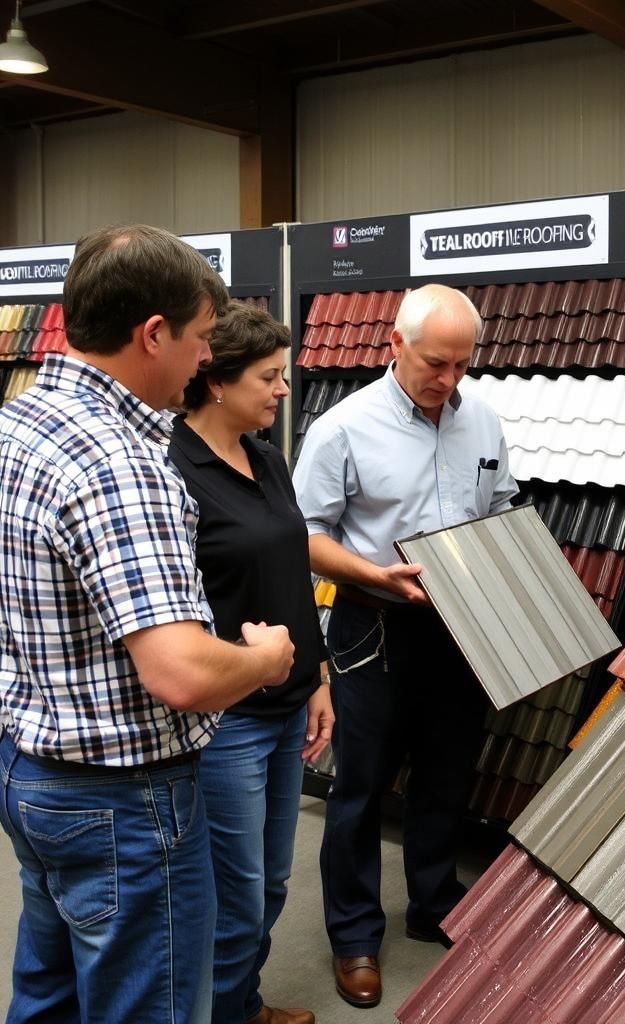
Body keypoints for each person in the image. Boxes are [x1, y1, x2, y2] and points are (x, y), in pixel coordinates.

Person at [0, 225, 295, 1024]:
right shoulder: (122, 464)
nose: (207, 358)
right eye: (201, 338)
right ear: (152, 333)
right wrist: (265, 659)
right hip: (122, 799)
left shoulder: (21, 421)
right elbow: (183, 674)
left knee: (50, 995)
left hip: (33, 770)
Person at [293, 283, 518, 1009]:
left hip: (461, 626)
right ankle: (355, 935)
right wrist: (371, 572)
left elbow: (503, 503)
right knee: (358, 787)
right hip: (373, 625)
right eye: (434, 363)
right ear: (395, 345)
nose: (448, 380)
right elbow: (303, 537)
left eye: (462, 364)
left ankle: (431, 901)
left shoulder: (481, 420)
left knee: (448, 772)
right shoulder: (344, 428)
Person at [169, 301, 334, 1024]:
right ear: (215, 381)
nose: (282, 390)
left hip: (289, 702)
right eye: (268, 377)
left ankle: (242, 1003)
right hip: (227, 721)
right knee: (232, 895)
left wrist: (319, 676)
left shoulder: (267, 458)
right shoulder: (174, 471)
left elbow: (294, 576)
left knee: (268, 884)